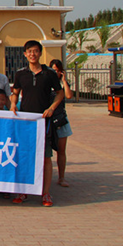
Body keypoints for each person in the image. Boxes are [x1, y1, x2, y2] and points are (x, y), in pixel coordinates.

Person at [10, 40, 64, 207]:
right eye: (29, 51)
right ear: (25, 54)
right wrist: (13, 104)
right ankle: (23, 191)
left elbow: (60, 93)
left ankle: (45, 193)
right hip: (26, 122)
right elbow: (15, 92)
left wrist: (52, 108)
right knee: (25, 156)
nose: (32, 54)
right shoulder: (21, 74)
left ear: (40, 53)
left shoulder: (49, 74)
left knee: (46, 158)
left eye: (35, 51)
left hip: (43, 121)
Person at [49, 59, 74, 188]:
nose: (56, 73)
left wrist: (64, 81)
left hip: (61, 120)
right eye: (54, 70)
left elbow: (69, 96)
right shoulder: (46, 83)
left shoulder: (62, 84)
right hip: (48, 120)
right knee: (46, 152)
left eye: (58, 71)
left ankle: (61, 177)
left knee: (61, 150)